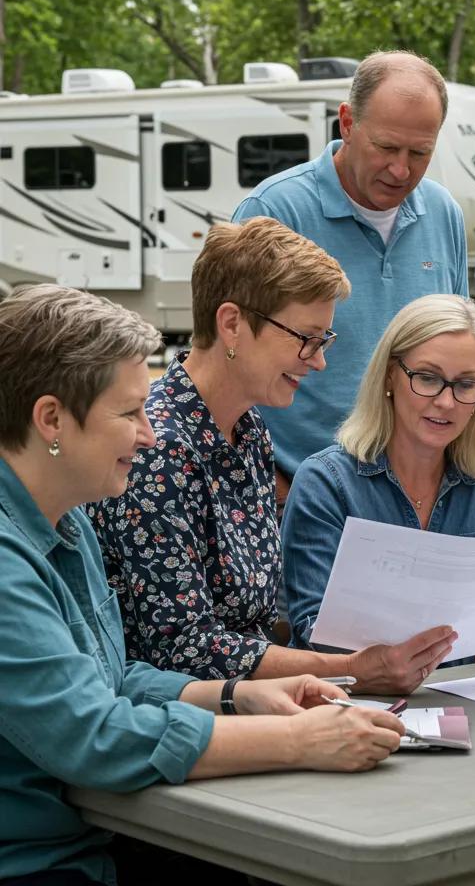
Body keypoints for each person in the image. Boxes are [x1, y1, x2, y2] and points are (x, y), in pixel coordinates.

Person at [0, 284, 407, 886]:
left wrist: (236, 697)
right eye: (129, 413)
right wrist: (295, 739)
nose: (148, 434)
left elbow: (112, 680)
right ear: (51, 419)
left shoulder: (67, 518)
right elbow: (93, 736)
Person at [88, 217, 455, 693]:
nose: (319, 360)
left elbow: (252, 624)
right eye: (306, 339)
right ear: (232, 324)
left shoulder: (250, 430)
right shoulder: (159, 450)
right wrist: (353, 669)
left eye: (324, 341)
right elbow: (183, 649)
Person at [283, 294, 475, 675]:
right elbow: (313, 628)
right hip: (358, 698)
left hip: (471, 695)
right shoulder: (326, 484)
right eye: (427, 378)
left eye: (465, 384)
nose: (446, 402)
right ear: (390, 374)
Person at [232, 50, 469, 508]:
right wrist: (274, 486)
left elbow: (458, 359)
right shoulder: (274, 211)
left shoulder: (444, 215)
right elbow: (227, 365)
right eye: (386, 147)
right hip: (294, 495)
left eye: (420, 153)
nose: (401, 170)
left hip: (412, 497)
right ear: (346, 123)